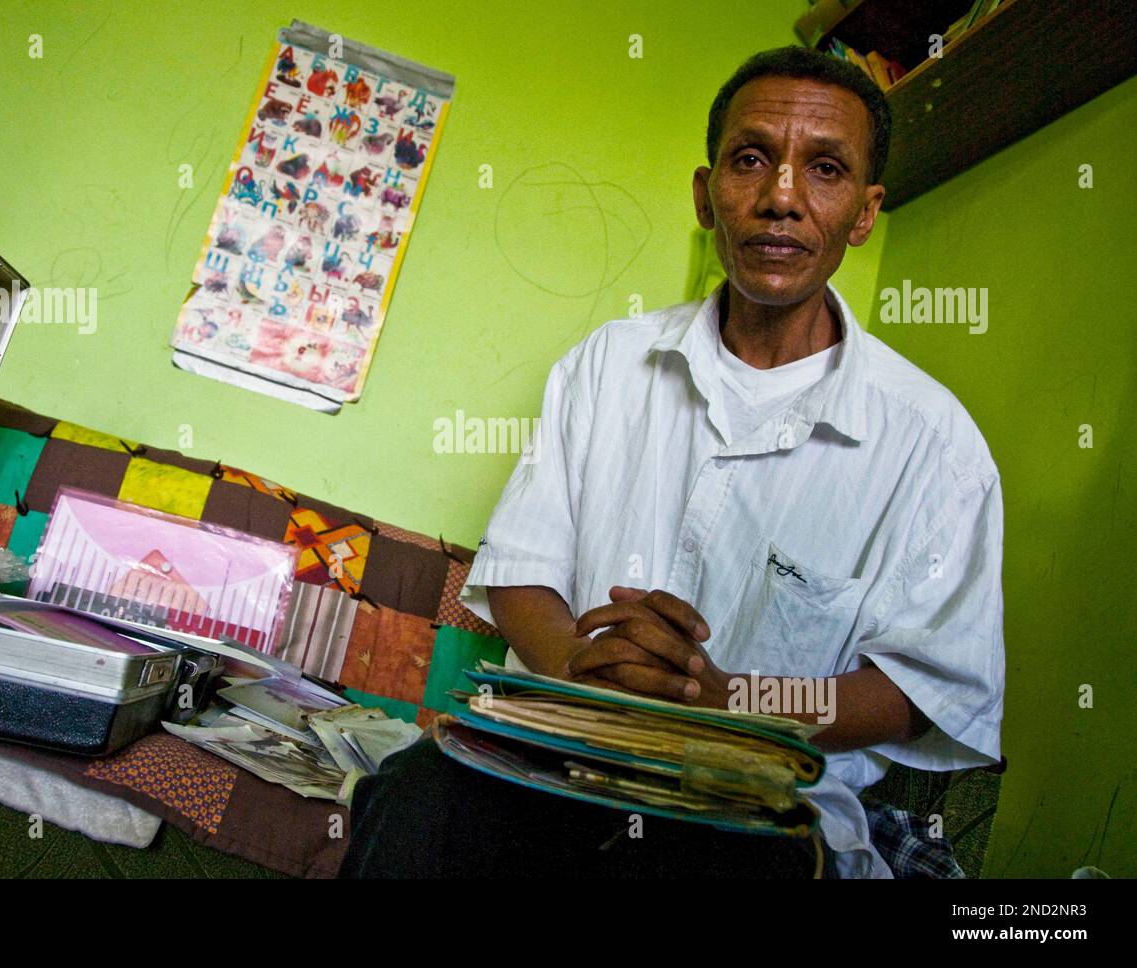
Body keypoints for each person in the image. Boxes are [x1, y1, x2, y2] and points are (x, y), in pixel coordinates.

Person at [340, 45, 1004, 879]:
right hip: (552, 762)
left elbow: (916, 692)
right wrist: (588, 679)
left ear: (866, 213)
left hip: (755, 811)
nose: (781, 199)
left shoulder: (934, 444)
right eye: (752, 160)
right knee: (413, 800)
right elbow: (520, 569)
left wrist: (726, 702)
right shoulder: (606, 364)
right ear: (705, 193)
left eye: (825, 169)